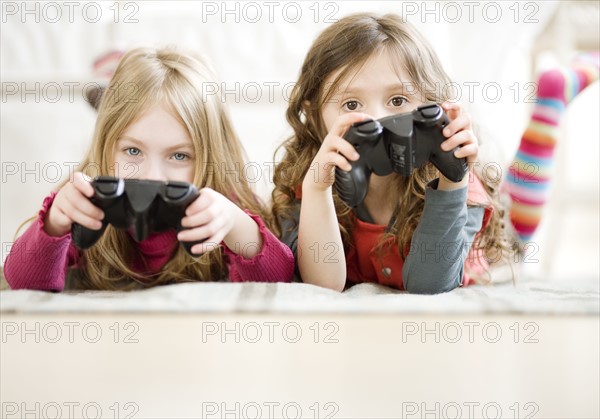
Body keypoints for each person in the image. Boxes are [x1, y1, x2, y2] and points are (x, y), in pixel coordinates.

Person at [4, 47, 294, 291]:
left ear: (210, 155)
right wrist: (55, 224)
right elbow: (23, 282)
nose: (151, 176)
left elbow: (280, 280)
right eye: (133, 151)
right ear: (106, 147)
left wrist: (235, 225)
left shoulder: (222, 205)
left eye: (179, 156)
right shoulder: (86, 203)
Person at [272, 13, 514, 294]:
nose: (376, 119)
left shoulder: (459, 181)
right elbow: (322, 288)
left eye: (397, 100)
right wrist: (317, 191)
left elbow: (429, 285)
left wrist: (454, 180)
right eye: (351, 104)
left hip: (496, 236)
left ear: (430, 105)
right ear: (315, 117)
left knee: (516, 222)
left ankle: (546, 121)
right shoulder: (307, 183)